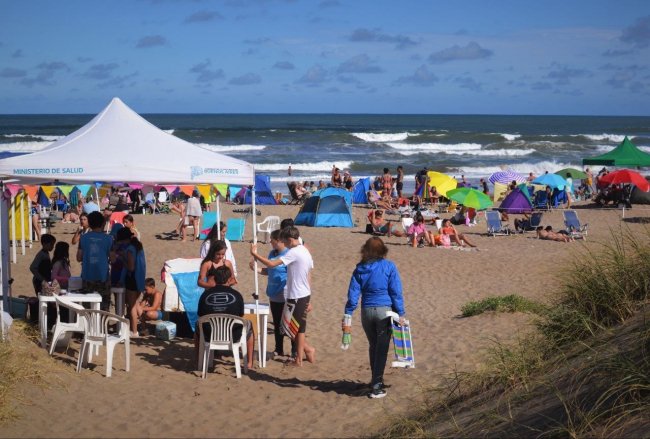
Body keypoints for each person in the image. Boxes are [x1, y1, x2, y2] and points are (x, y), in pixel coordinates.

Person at [344, 237, 405, 399]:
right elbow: (395, 292)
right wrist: (400, 313)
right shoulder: (389, 266)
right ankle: (377, 386)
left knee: (373, 346)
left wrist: (348, 312)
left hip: (366, 312)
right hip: (384, 311)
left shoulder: (360, 269)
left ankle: (375, 380)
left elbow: (352, 295)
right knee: (382, 349)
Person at [250, 226, 315, 366]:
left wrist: (255, 254)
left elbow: (272, 264)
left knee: (292, 328)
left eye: (285, 241)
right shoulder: (304, 250)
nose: (285, 244)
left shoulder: (295, 252)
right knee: (295, 328)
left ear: (290, 240)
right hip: (300, 294)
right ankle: (302, 354)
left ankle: (303, 353)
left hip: (297, 294)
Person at [196, 265, 254, 371]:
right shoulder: (237, 295)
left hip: (209, 334)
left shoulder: (205, 295)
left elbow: (200, 314)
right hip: (233, 335)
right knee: (249, 325)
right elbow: (240, 315)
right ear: (229, 279)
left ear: (214, 278)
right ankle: (249, 363)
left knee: (197, 324)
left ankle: (198, 360)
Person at [250, 229, 294, 358]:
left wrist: (255, 253)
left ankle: (294, 350)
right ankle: (278, 349)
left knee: (288, 323)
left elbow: (281, 269)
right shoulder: (271, 253)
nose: (270, 242)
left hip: (285, 293)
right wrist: (256, 269)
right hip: (273, 293)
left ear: (279, 241)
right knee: (276, 323)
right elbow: (269, 270)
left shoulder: (288, 254)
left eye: (272, 240)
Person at [76, 211, 113, 311]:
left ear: (90, 223)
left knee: (88, 307)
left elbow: (78, 257)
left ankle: (89, 326)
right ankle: (103, 326)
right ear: (102, 223)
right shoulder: (109, 239)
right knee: (104, 306)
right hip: (103, 276)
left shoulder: (83, 238)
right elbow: (113, 258)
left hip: (87, 276)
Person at [122, 228, 147, 322]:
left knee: (132, 306)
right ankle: (144, 327)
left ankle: (134, 330)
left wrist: (122, 259)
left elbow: (131, 267)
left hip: (132, 279)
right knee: (136, 304)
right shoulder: (139, 246)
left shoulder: (130, 249)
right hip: (139, 278)